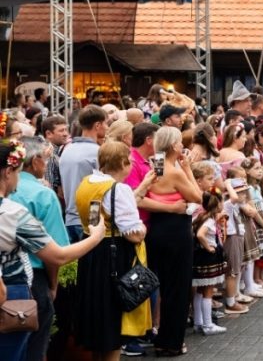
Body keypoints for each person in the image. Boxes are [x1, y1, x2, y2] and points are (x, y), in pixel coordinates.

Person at [0, 141, 106, 361]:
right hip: (13, 292)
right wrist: (96, 236)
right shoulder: (12, 214)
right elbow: (58, 255)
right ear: (7, 172)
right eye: (17, 173)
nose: (18, 180)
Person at [73, 141, 150, 361]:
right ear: (123, 163)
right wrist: (143, 229)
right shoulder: (118, 189)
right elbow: (133, 233)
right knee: (112, 321)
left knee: (98, 320)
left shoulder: (87, 182)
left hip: (91, 251)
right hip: (113, 255)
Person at [135, 127, 202, 356]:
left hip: (157, 230)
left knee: (161, 285)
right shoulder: (174, 171)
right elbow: (197, 197)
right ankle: (171, 342)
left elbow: (143, 197)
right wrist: (188, 169)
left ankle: (161, 336)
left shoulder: (156, 166)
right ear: (175, 145)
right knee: (178, 287)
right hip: (176, 232)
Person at [8, 137, 70, 361]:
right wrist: (53, 286)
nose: (47, 164)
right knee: (33, 346)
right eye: (45, 159)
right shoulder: (42, 194)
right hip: (33, 279)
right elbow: (56, 253)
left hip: (11, 277)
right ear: (34, 161)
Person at [59, 104, 107, 241]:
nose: (107, 128)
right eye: (106, 124)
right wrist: (94, 223)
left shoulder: (66, 150)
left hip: (70, 220)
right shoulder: (97, 152)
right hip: (88, 222)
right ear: (98, 125)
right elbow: (99, 191)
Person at [192, 191, 227, 335]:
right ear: (216, 204)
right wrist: (208, 247)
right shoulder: (210, 220)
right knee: (208, 291)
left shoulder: (201, 216)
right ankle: (208, 324)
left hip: (200, 256)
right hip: (208, 256)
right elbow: (200, 234)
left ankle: (198, 322)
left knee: (200, 290)